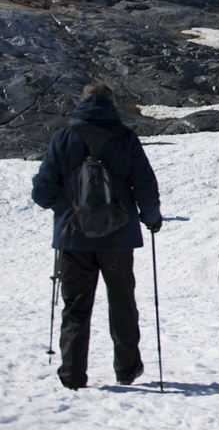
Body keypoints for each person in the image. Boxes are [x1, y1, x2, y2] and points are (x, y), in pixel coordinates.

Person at [31, 83, 162, 390]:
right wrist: (151, 219)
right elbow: (144, 183)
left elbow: (41, 192)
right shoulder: (125, 138)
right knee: (122, 305)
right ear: (111, 103)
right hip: (118, 239)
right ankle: (126, 369)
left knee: (75, 308)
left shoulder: (63, 138)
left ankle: (73, 375)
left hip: (73, 239)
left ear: (83, 102)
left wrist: (64, 208)